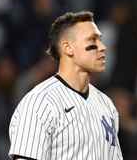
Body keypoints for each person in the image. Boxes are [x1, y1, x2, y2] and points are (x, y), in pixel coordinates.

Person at [8, 11, 123, 160]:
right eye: (92, 41)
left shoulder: (106, 104)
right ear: (68, 48)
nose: (102, 47)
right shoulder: (39, 102)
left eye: (100, 40)